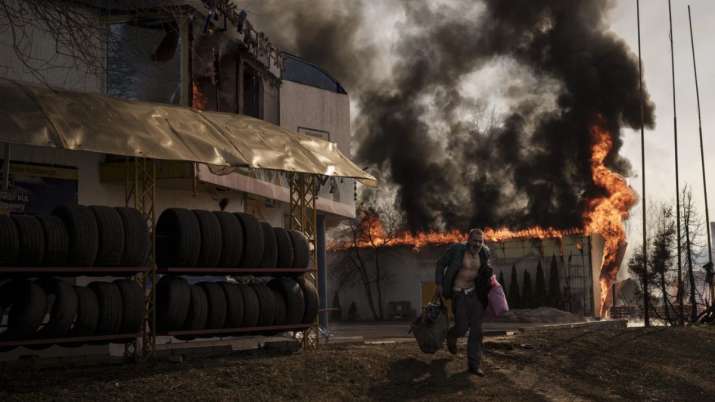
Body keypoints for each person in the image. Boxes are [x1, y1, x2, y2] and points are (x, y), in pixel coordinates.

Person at [434, 228, 493, 377]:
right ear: (468, 240)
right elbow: (440, 264)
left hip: (474, 294)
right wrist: (439, 284)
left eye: (480, 241)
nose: (477, 244)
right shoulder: (457, 250)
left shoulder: (484, 252)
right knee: (461, 327)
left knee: (477, 329)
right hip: (458, 293)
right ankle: (452, 335)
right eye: (474, 240)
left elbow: (486, 270)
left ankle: (474, 365)